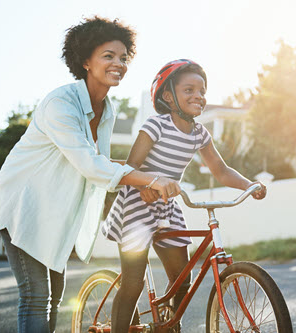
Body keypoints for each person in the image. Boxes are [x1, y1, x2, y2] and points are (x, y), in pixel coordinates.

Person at [0, 17, 180, 333]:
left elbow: (99, 160)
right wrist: (149, 179)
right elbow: (89, 164)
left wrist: (145, 176)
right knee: (36, 297)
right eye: (108, 56)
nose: (119, 63)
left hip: (53, 215)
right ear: (86, 61)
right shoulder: (60, 103)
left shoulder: (107, 108)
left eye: (123, 57)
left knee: (54, 299)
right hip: (22, 207)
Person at [102, 59, 267, 332]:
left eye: (202, 91)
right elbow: (131, 167)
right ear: (168, 96)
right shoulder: (156, 125)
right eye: (189, 90)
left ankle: (168, 326)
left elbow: (221, 170)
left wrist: (250, 185)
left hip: (167, 207)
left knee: (182, 279)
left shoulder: (199, 133)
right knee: (133, 283)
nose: (198, 96)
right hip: (138, 203)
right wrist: (146, 187)